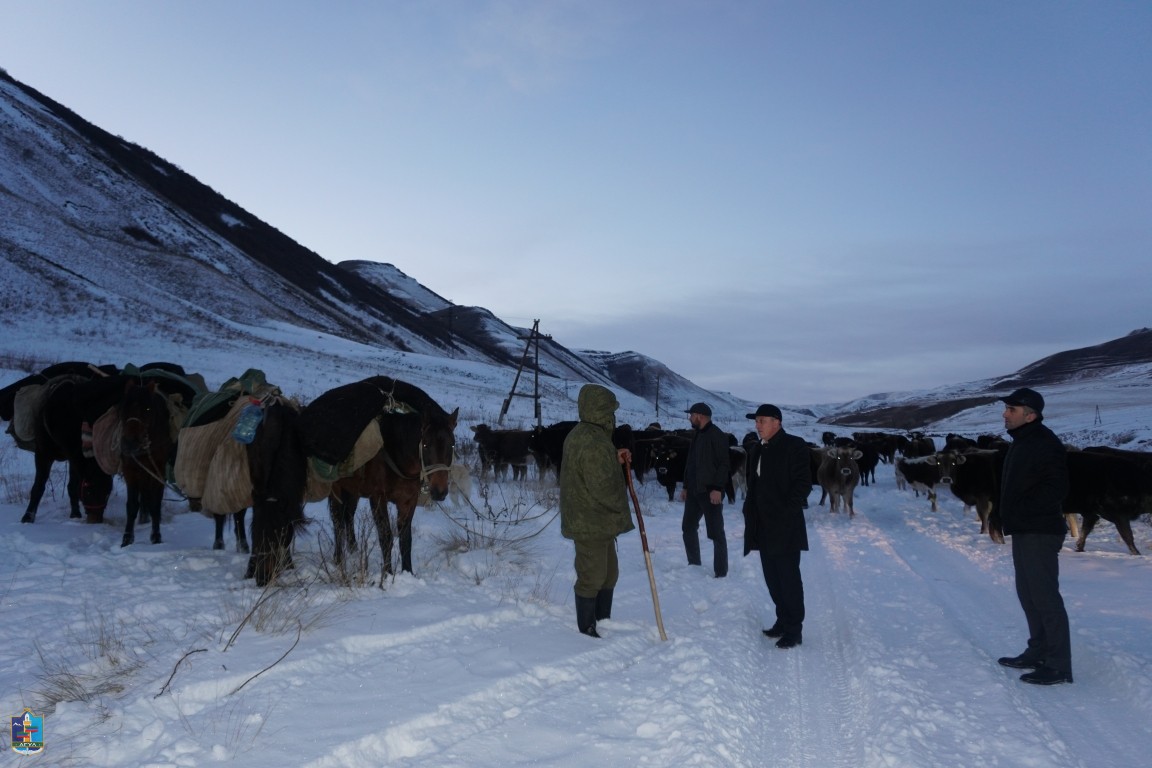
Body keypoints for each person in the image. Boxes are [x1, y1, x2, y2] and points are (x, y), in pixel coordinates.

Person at [995, 387, 1073, 685]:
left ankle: (1059, 664)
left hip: (1039, 530)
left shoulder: (1044, 443)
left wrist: (1022, 509)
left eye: (1011, 410)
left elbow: (1057, 488)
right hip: (1025, 528)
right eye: (1006, 409)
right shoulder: (1023, 441)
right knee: (1028, 595)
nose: (1005, 413)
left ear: (1031, 415)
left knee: (1045, 597)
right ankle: (1038, 650)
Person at [559, 384, 635, 638]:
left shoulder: (591, 436)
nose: (614, 417)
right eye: (611, 411)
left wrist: (614, 458)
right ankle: (587, 630)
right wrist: (621, 505)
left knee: (609, 574)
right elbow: (602, 486)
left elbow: (594, 469)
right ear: (602, 412)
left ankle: (603, 620)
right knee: (592, 576)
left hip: (597, 520)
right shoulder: (592, 441)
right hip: (589, 520)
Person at [741, 404, 811, 649]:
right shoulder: (757, 449)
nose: (757, 425)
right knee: (773, 579)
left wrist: (785, 512)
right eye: (756, 421)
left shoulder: (795, 445)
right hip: (762, 526)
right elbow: (755, 486)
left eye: (762, 421)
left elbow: (803, 484)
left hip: (785, 527)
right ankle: (782, 621)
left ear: (777, 422)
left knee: (789, 580)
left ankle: (794, 630)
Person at [680, 402, 731, 578]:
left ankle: (721, 572)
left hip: (710, 492)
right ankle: (694, 565)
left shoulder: (716, 435)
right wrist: (686, 486)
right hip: (694, 491)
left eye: (691, 415)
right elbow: (691, 463)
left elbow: (724, 464)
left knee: (716, 533)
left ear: (700, 416)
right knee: (688, 527)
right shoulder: (697, 435)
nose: (689, 418)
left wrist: (717, 488)